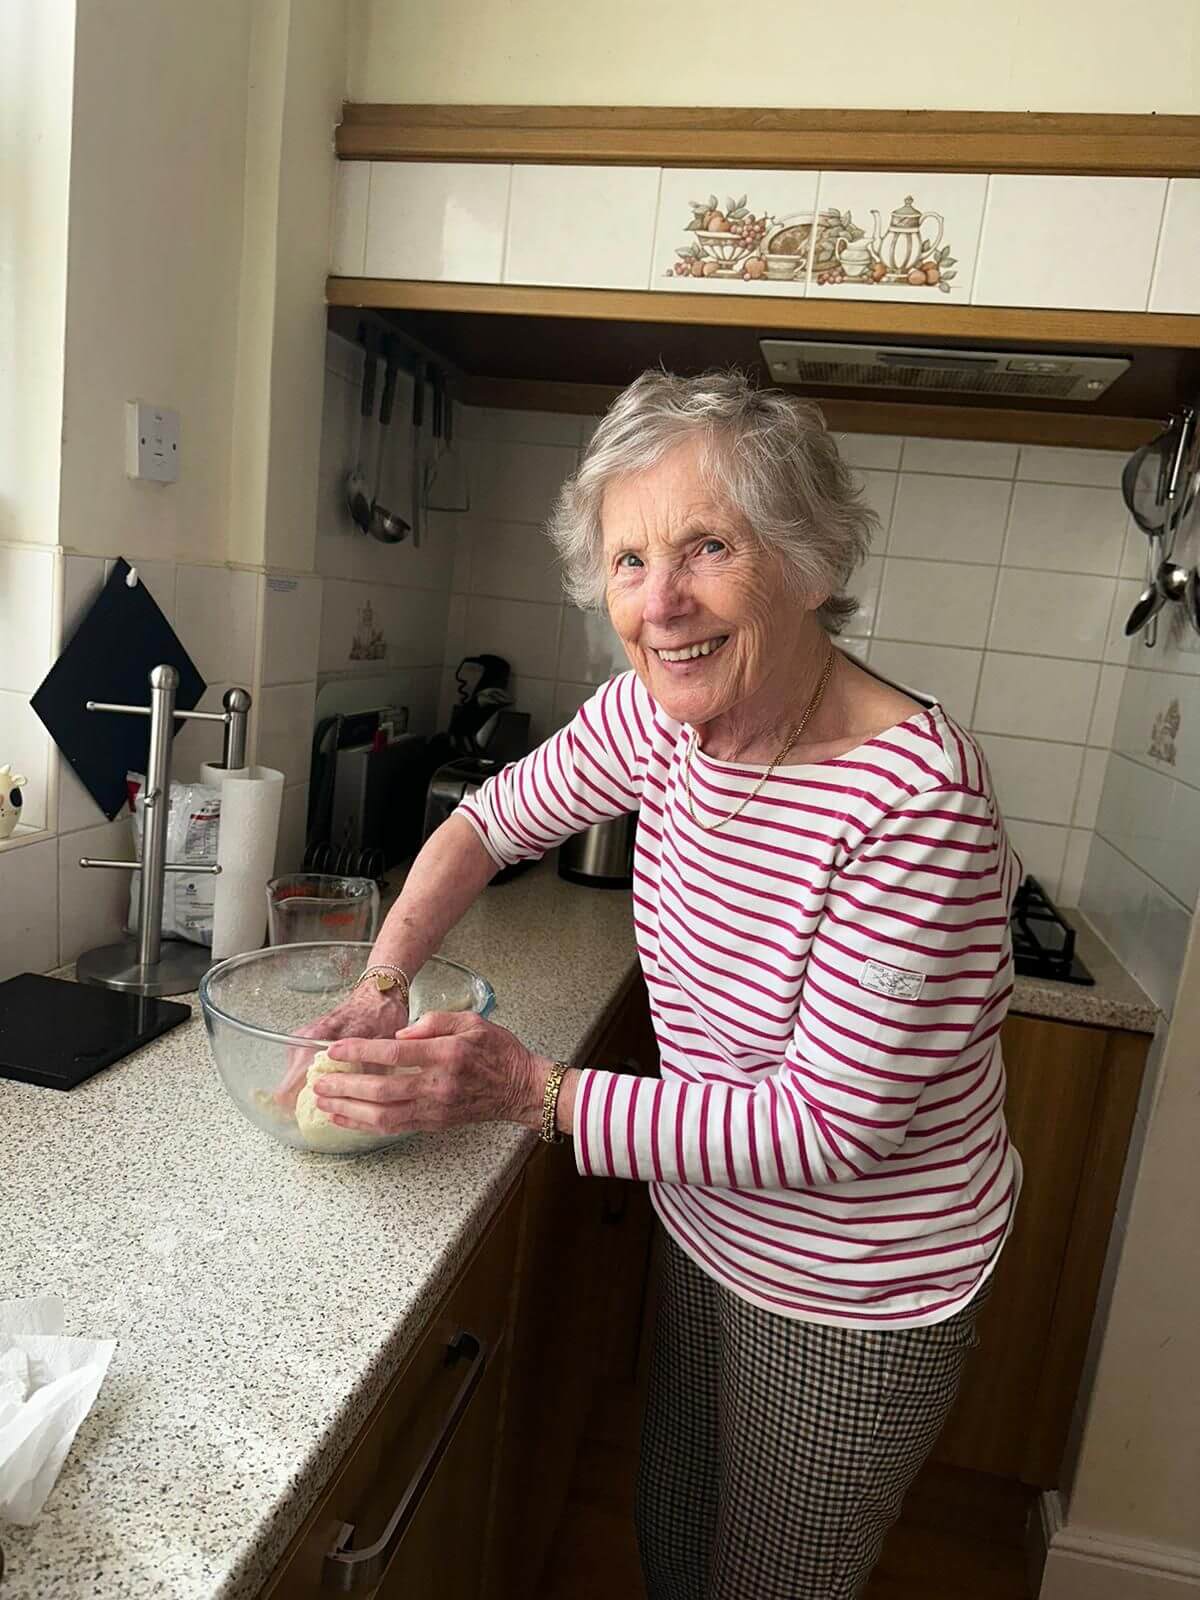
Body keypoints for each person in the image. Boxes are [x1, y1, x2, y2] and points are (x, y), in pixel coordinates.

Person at [302, 369, 1024, 1600]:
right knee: (675, 1530)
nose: (662, 601)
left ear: (802, 559)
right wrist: (384, 976)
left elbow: (831, 1126)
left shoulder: (916, 803)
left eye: (708, 547)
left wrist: (534, 1090)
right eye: (629, 559)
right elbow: (486, 823)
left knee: (775, 1584)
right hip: (709, 1221)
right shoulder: (660, 715)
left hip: (854, 1287)